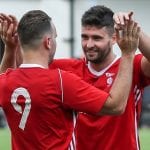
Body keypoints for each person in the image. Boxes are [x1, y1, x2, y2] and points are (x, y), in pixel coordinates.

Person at [0, 10, 139, 150]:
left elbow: (10, 75)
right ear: (48, 42)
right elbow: (116, 106)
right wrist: (128, 53)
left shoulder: (6, 82)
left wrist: (10, 48)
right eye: (55, 37)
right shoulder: (61, 81)